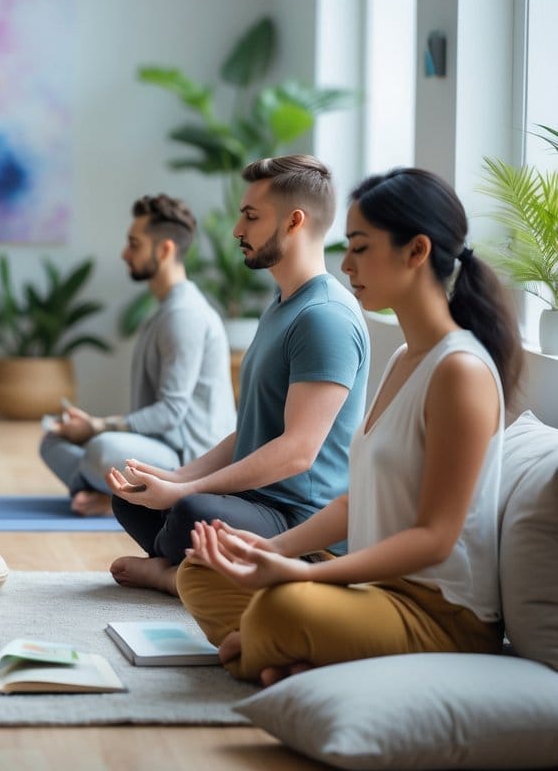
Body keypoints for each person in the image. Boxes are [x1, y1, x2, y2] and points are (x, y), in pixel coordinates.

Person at [177, 167, 522, 686]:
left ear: (416, 251)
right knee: (201, 571)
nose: (346, 263)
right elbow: (355, 502)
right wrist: (268, 552)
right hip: (373, 589)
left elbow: (434, 538)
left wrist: (307, 574)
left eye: (360, 247)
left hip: (438, 615)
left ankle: (276, 647)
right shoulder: (406, 357)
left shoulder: (461, 372)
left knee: (282, 609)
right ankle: (288, 656)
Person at [107, 155, 370, 596]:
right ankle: (202, 569)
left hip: (297, 523)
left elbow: (296, 453)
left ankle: (177, 575)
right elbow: (250, 431)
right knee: (130, 496)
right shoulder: (283, 304)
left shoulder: (325, 317)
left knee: (189, 510)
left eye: (251, 216)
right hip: (253, 503)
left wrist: (183, 493)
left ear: (294, 222)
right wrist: (174, 479)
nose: (237, 230)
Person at [39, 194, 235, 516]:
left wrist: (97, 427)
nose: (124, 253)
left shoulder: (183, 314)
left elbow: (171, 412)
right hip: (160, 447)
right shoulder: (166, 310)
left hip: (189, 459)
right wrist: (91, 426)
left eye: (134, 244)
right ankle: (121, 497)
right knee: (53, 442)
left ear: (165, 249)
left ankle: (123, 500)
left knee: (102, 450)